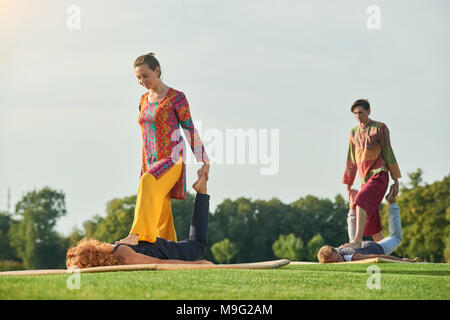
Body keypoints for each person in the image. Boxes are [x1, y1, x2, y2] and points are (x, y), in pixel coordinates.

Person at [119, 52, 210, 245]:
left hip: (171, 159)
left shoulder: (176, 98)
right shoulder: (143, 100)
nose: (142, 81)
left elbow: (189, 128)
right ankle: (169, 250)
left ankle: (137, 234)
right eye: (138, 78)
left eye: (145, 76)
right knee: (161, 209)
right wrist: (145, 165)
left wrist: (204, 160)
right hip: (149, 161)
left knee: (147, 182)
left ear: (157, 71)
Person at [66, 168, 213, 268]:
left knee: (198, 244)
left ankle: (202, 192)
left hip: (165, 251)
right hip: (154, 244)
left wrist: (199, 265)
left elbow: (159, 263)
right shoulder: (110, 249)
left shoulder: (122, 255)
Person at [343, 99, 401, 249]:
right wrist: (349, 184)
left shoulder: (380, 128)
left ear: (369, 111)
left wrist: (395, 179)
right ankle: (385, 254)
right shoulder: (353, 132)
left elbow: (388, 152)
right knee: (373, 224)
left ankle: (357, 240)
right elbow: (351, 158)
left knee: (361, 199)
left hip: (379, 175)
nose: (358, 116)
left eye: (361, 112)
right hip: (365, 180)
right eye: (355, 113)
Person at [317, 185, 418, 263]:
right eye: (335, 262)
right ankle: (352, 207)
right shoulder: (333, 253)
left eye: (338, 259)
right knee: (353, 241)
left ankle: (392, 202)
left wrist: (401, 261)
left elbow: (379, 257)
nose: (340, 262)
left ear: (337, 252)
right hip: (359, 246)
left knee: (396, 237)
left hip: (375, 249)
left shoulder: (353, 256)